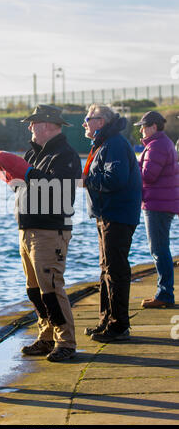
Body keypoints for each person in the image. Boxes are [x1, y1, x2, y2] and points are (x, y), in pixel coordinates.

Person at [0, 104, 82, 362]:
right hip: (28, 229)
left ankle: (66, 342)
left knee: (51, 288)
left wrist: (28, 173)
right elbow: (27, 188)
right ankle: (46, 337)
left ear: (47, 125)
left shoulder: (66, 155)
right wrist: (11, 177)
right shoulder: (33, 154)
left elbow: (61, 193)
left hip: (50, 231)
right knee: (34, 290)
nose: (30, 127)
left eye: (33, 123)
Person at [82, 104, 142, 342]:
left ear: (101, 121)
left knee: (115, 270)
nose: (84, 123)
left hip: (117, 215)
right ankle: (106, 320)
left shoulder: (114, 143)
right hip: (108, 215)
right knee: (107, 269)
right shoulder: (106, 142)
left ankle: (119, 326)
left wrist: (87, 179)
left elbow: (115, 179)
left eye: (88, 118)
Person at [135, 111, 179, 308]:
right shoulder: (161, 144)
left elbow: (149, 176)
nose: (141, 131)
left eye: (143, 127)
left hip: (157, 204)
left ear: (153, 126)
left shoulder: (157, 146)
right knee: (161, 248)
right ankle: (165, 292)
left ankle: (164, 294)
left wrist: (131, 166)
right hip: (161, 202)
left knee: (159, 249)